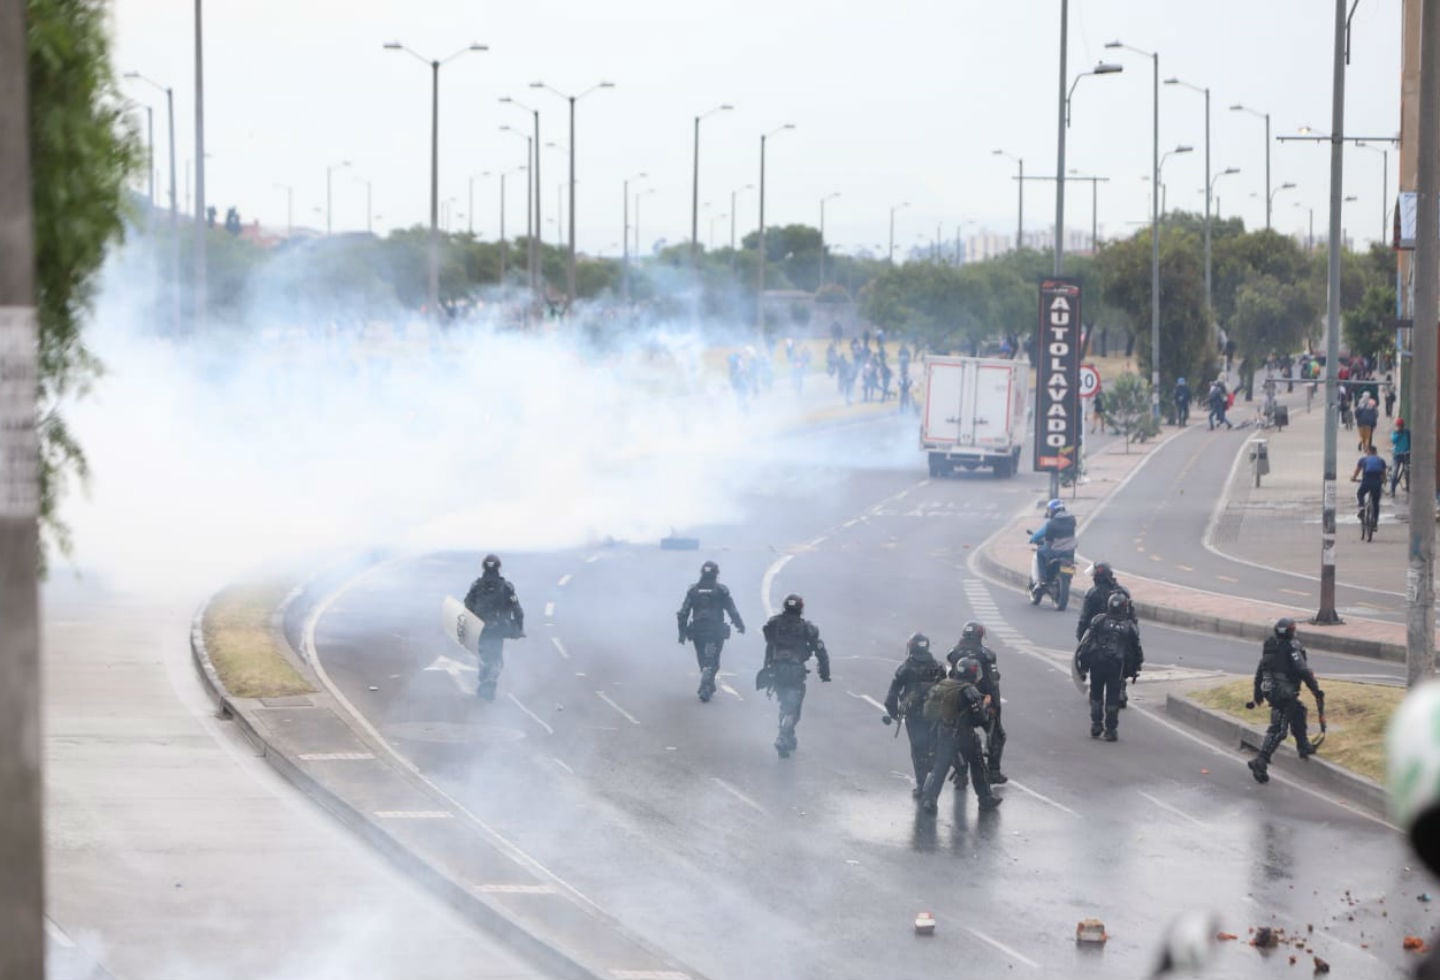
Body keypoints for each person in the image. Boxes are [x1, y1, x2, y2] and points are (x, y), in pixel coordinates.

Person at [1245, 618, 1325, 784]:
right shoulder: (1292, 646)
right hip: (1285, 692)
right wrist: (1316, 690)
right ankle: (1261, 761)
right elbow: (1303, 670)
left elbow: (1262, 668)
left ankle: (1303, 746)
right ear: (1291, 631)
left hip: (1271, 689)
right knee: (1279, 728)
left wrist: (1258, 693)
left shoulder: (1270, 645)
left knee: (1298, 711)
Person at [917, 657, 1001, 813]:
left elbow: (929, 712)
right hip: (964, 735)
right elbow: (979, 719)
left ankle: (929, 800)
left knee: (939, 767)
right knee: (978, 766)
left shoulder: (944, 684)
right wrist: (986, 707)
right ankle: (985, 798)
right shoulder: (969, 690)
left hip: (943, 733)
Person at [759, 594, 830, 758]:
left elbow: (769, 644)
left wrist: (767, 666)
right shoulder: (807, 628)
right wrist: (825, 673)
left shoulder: (774, 623)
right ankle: (783, 736)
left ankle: (787, 734)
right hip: (795, 671)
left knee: (784, 702)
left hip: (776, 669)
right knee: (793, 708)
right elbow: (820, 651)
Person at [883, 633, 947, 797]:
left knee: (918, 748)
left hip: (914, 715)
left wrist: (893, 713)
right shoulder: (939, 667)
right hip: (936, 713)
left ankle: (921, 785)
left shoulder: (905, 668)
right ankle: (933, 776)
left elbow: (892, 695)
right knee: (935, 745)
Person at [1076, 592, 1144, 741]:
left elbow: (1085, 642)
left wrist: (1082, 664)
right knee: (1112, 697)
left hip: (1097, 664)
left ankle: (1096, 725)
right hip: (1116, 667)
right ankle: (1111, 730)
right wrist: (1135, 668)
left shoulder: (1098, 620)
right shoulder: (1130, 627)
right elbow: (1137, 650)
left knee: (1096, 694)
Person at [676, 561, 745, 702]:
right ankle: (707, 681)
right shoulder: (721, 591)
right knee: (713, 659)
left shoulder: (693, 591)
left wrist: (682, 633)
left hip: (698, 630)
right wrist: (740, 625)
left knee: (702, 657)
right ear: (716, 573)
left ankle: (707, 678)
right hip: (715, 630)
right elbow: (732, 610)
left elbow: (683, 613)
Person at [947, 621, 1007, 783]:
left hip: (959, 701)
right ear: (980, 635)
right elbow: (993, 682)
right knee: (997, 735)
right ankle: (993, 772)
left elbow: (951, 678)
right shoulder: (987, 655)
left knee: (955, 736)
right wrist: (995, 706)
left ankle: (961, 774)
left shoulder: (954, 653)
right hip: (983, 701)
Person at [462, 554, 525, 701]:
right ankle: (490, 681)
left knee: (482, 655)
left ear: (483, 566)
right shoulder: (507, 587)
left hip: (480, 628)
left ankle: (484, 679)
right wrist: (519, 628)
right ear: (499, 567)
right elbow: (517, 609)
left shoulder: (476, 586)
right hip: (498, 629)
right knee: (496, 658)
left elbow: (467, 605)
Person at [1029, 499, 1077, 599]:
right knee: (1071, 564)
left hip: (1055, 552)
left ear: (1053, 511)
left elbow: (1041, 536)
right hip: (1069, 552)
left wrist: (1032, 539)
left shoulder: (1051, 524)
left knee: (1039, 553)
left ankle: (1042, 579)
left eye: (1050, 510)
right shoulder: (1072, 520)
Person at [1351, 443, 1387, 529]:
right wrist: (1384, 481)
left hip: (1366, 481)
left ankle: (1361, 507)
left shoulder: (1363, 460)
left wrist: (1353, 478)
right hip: (1377, 483)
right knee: (1376, 503)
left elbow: (1357, 472)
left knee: (1360, 493)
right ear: (1376, 452)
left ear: (1368, 452)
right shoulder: (1381, 460)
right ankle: (1374, 523)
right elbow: (1384, 475)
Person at [1392, 417, 1412, 496]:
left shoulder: (1407, 432)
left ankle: (1408, 488)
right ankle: (1392, 490)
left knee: (1407, 472)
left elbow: (1410, 441)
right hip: (1397, 455)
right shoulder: (1395, 433)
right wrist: (1398, 434)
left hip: (1406, 454)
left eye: (1400, 426)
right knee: (1395, 472)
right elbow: (1393, 440)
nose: (1399, 427)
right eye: (1398, 426)